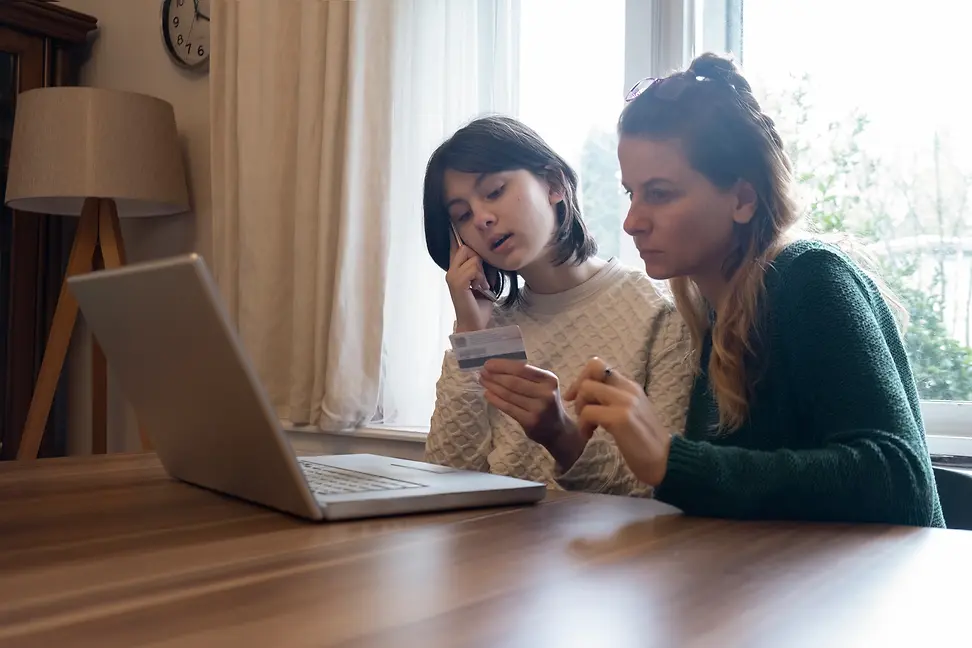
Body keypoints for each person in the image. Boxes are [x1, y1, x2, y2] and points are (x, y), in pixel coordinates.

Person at [565, 53, 944, 526]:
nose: (632, 221)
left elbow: (899, 479)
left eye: (660, 194)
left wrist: (672, 460)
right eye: (631, 193)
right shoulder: (713, 310)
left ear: (742, 199)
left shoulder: (811, 279)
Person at [421, 115, 694, 495]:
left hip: (612, 552)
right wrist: (469, 333)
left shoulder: (658, 312)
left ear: (554, 183)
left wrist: (563, 437)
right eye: (462, 216)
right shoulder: (488, 328)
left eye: (495, 191)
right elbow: (446, 479)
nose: (482, 218)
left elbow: (660, 489)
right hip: (494, 547)